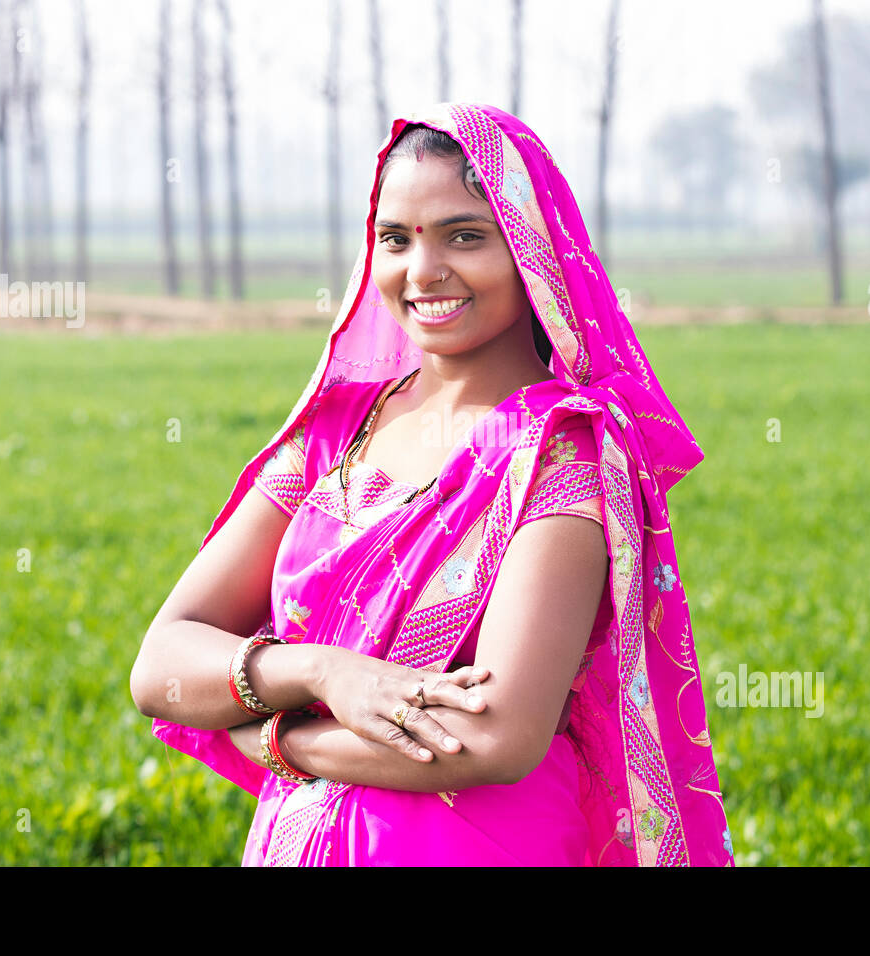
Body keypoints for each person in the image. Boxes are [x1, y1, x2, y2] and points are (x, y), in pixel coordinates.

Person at [130, 103, 734, 867]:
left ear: (530, 251)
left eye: (464, 236)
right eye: (395, 239)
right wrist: (325, 672)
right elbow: (161, 663)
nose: (423, 272)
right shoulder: (337, 432)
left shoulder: (563, 453)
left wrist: (281, 735)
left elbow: (495, 735)